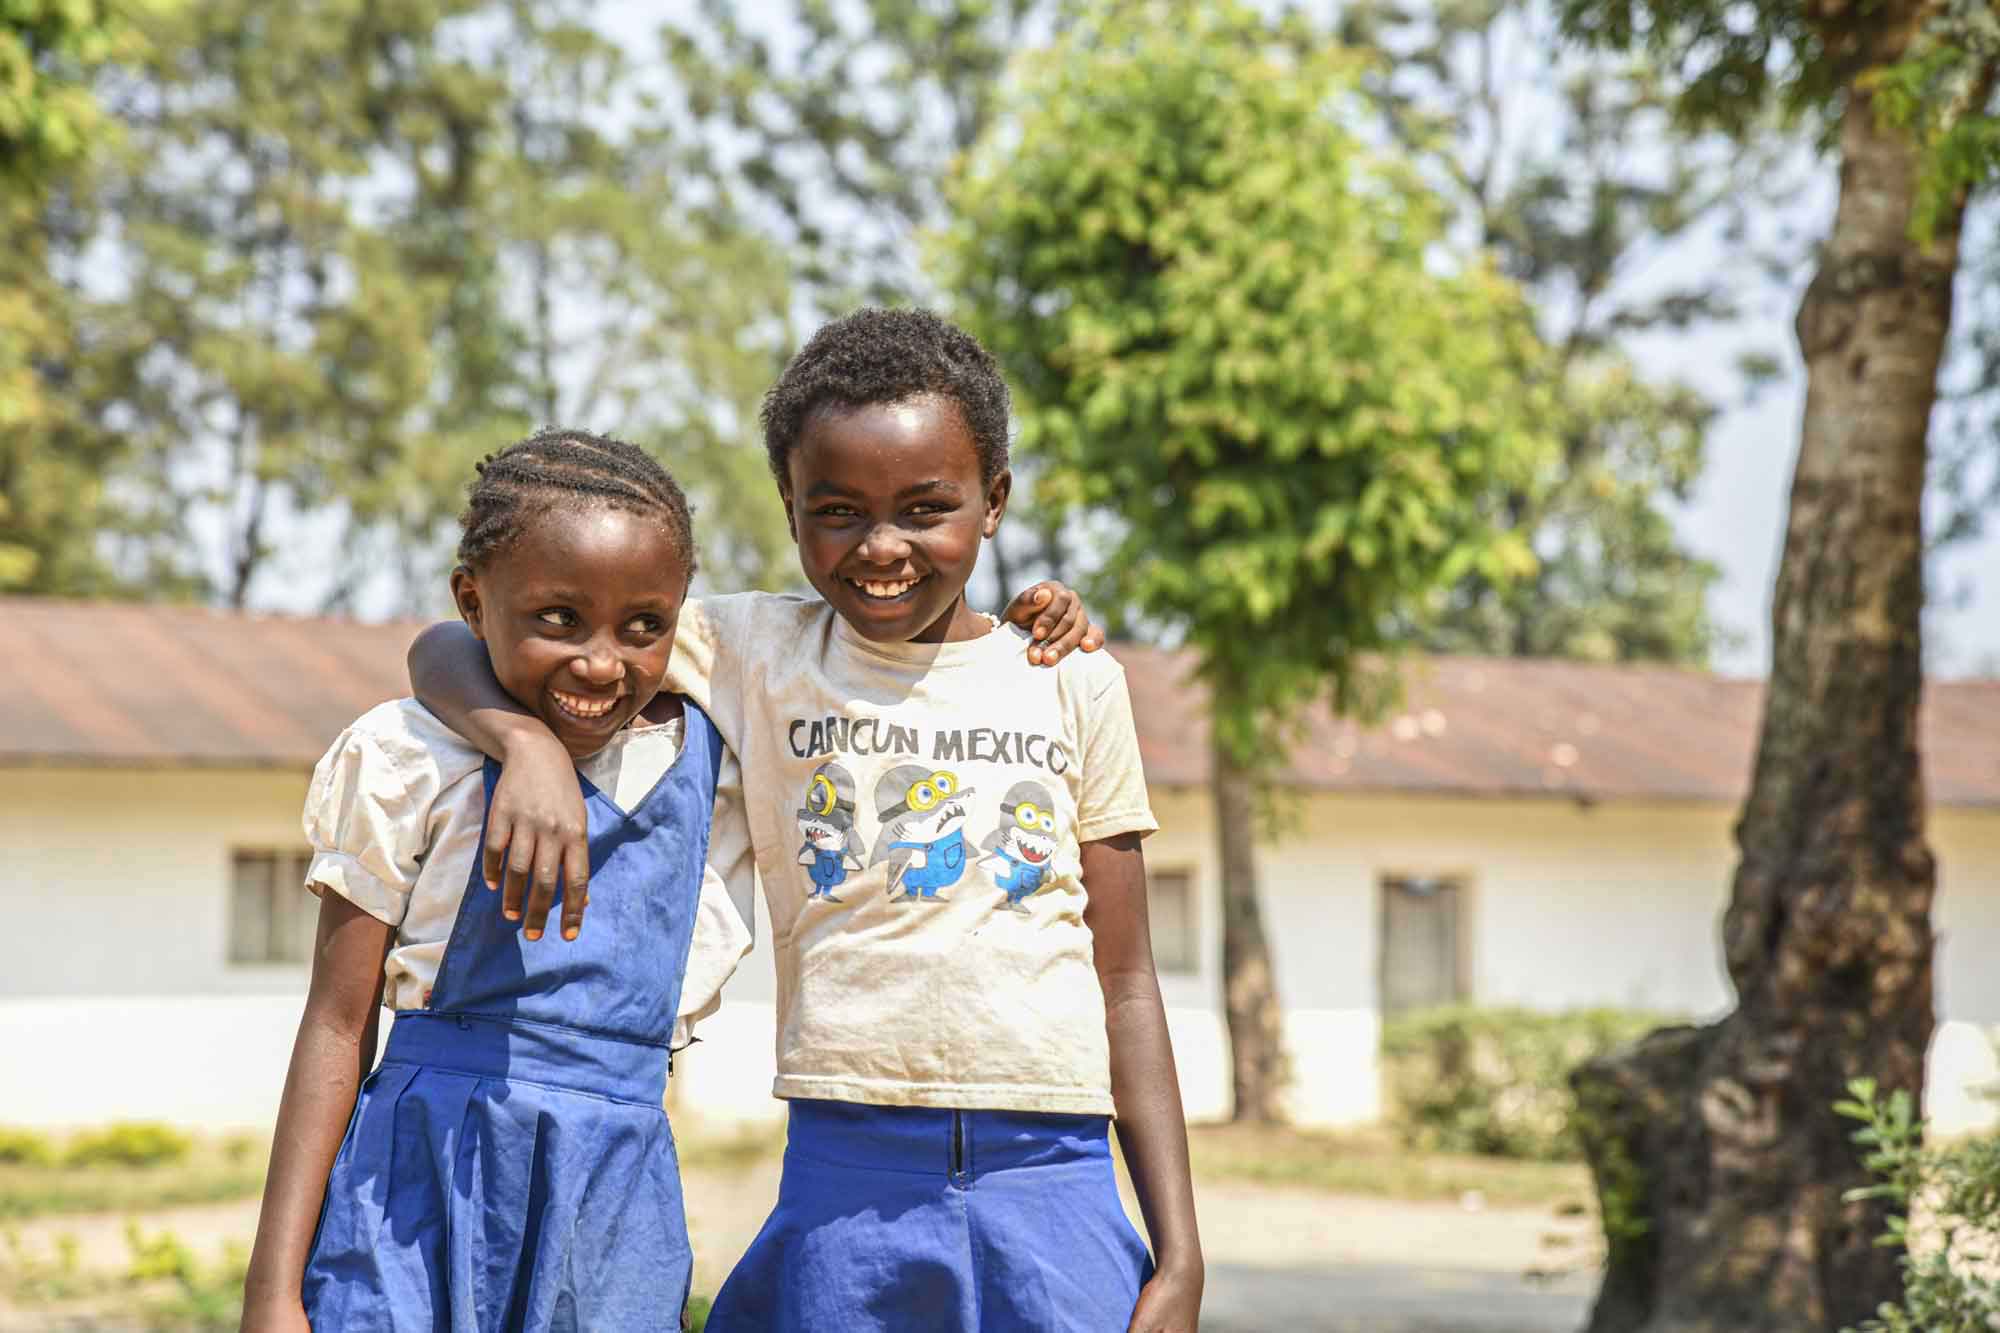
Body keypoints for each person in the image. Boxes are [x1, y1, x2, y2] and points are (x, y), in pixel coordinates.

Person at [409, 308, 1205, 1332]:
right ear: (789, 510)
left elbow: (1126, 976)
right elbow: (443, 642)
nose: (881, 546)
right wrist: (520, 746)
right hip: (846, 1166)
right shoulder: (756, 651)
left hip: (1052, 1171)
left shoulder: (1070, 679)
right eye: (836, 510)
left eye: (926, 508)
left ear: (992, 501)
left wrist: (1177, 1251)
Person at [239, 430, 752, 1332]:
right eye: (558, 618)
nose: (602, 662)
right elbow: (335, 1021)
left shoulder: (713, 756)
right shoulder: (411, 758)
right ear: (475, 602)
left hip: (614, 1200)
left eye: (644, 627)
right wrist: (272, 1293)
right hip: (418, 1186)